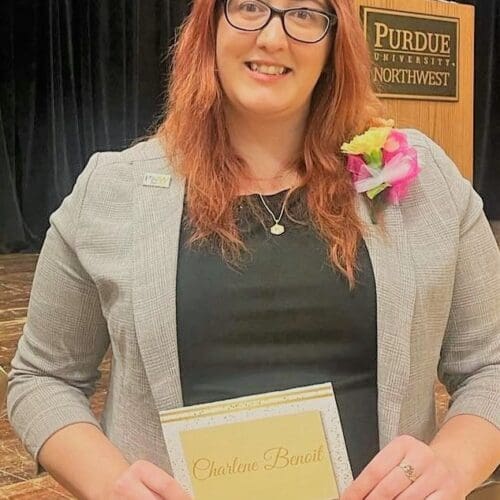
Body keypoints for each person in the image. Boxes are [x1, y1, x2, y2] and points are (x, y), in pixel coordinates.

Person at [7, 0, 500, 498]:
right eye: (248, 7)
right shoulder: (111, 189)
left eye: (304, 14)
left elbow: (492, 365)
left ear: (335, 41)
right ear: (210, 26)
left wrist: (453, 465)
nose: (272, 37)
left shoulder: (425, 181)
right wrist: (108, 484)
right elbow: (42, 379)